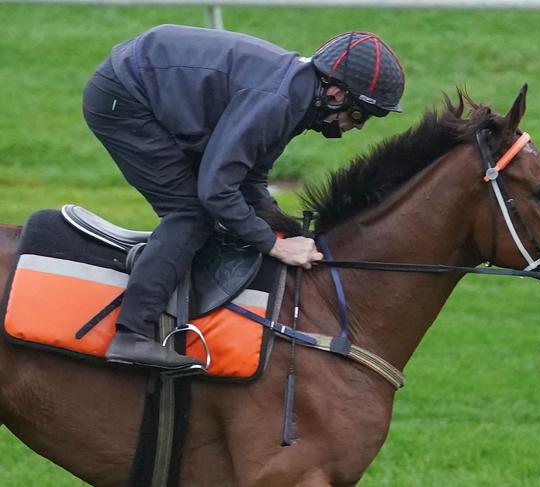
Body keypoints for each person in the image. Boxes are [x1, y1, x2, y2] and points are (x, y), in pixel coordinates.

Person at [82, 25, 405, 369]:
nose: (358, 126)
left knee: (214, 210)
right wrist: (274, 245)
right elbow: (216, 190)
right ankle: (131, 335)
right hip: (124, 97)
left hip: (155, 84)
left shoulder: (299, 96)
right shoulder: (278, 102)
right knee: (191, 214)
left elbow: (249, 178)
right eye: (360, 114)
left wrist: (287, 231)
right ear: (336, 94)